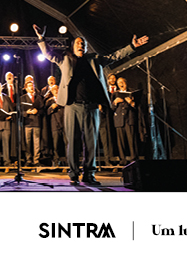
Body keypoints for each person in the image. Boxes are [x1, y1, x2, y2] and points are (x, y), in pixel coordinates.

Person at [35, 23, 148, 185]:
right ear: (73, 46)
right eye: (78, 43)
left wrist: (132, 46)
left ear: (86, 48)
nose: (81, 45)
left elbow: (115, 56)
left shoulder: (95, 59)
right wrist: (41, 38)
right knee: (72, 141)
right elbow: (47, 53)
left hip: (91, 106)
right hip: (71, 105)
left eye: (84, 44)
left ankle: (89, 174)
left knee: (91, 142)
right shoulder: (65, 59)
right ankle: (74, 173)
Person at [112, 77, 138, 166]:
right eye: (119, 82)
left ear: (126, 83)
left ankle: (134, 159)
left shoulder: (132, 92)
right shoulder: (115, 94)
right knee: (120, 141)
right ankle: (122, 159)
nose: (121, 83)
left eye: (122, 82)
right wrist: (115, 102)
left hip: (129, 118)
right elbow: (111, 108)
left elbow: (138, 106)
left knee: (132, 140)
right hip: (119, 119)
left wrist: (131, 102)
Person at [21, 80, 44, 166]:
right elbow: (20, 111)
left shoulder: (38, 97)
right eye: (29, 86)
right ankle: (28, 160)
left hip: (36, 122)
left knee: (36, 143)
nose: (31, 87)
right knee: (27, 143)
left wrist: (37, 111)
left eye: (32, 85)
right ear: (26, 88)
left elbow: (42, 110)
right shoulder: (23, 98)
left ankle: (36, 161)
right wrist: (27, 112)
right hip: (27, 123)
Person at [46, 85, 66, 166]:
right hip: (55, 124)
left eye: (57, 89)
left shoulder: (64, 100)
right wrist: (52, 108)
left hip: (64, 123)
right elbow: (47, 112)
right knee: (56, 144)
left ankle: (68, 160)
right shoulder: (49, 101)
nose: (56, 91)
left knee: (66, 142)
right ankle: (56, 160)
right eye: (54, 90)